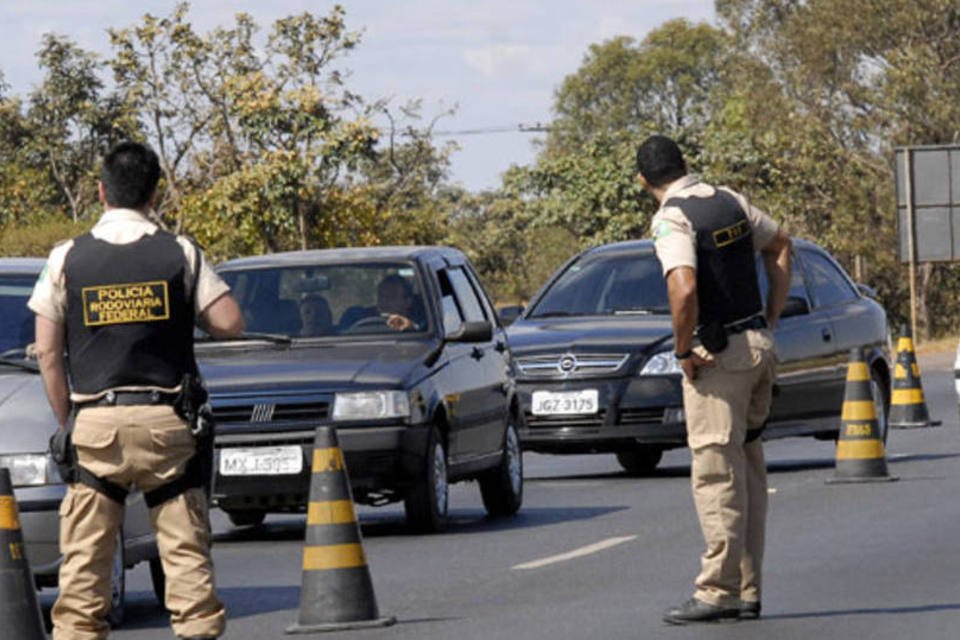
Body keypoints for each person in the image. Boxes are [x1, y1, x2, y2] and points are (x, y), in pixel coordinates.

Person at [30, 141, 244, 640]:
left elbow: (45, 352)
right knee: (187, 563)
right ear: (155, 194)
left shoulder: (67, 257)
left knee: (83, 576)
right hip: (166, 423)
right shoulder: (180, 252)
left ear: (101, 192)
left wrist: (69, 421)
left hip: (96, 426)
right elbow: (230, 323)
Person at [635, 134, 791, 625]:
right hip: (758, 349)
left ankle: (716, 592)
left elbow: (683, 289)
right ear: (684, 166)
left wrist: (683, 350)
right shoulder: (730, 200)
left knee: (716, 475)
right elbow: (782, 245)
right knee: (747, 470)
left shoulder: (672, 218)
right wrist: (769, 319)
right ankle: (748, 589)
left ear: (644, 182)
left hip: (718, 361)